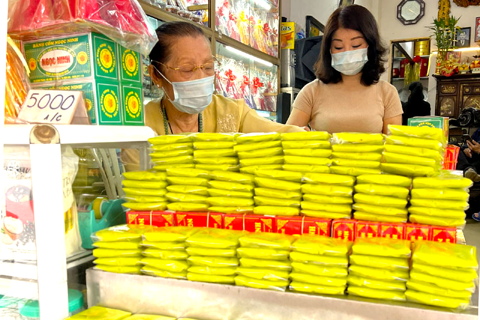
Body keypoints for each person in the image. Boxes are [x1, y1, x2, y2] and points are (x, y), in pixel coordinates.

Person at [123, 21, 303, 170]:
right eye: (187, 69)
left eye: (208, 67)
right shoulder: (140, 124)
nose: (202, 77)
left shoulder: (233, 113)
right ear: (156, 75)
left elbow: (282, 135)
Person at [286, 5, 403, 133]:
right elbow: (287, 136)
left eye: (356, 45)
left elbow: (392, 146)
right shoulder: (311, 91)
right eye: (338, 47)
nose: (347, 52)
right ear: (329, 50)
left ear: (371, 46)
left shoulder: (387, 93)